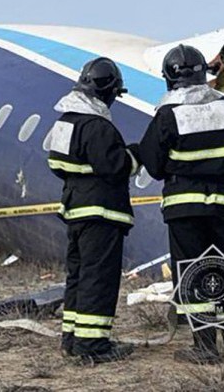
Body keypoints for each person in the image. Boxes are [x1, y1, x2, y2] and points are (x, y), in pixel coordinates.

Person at [138, 44, 224, 365]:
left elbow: (154, 164)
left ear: (170, 78)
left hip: (185, 208)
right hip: (222, 205)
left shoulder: (168, 113)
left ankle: (205, 346)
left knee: (193, 273)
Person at [47, 58, 139, 364]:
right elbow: (116, 167)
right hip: (101, 213)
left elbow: (56, 165)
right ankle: (93, 346)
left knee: (79, 275)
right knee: (99, 277)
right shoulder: (98, 126)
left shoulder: (65, 122)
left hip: (75, 210)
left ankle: (72, 339)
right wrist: (135, 155)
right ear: (108, 92)